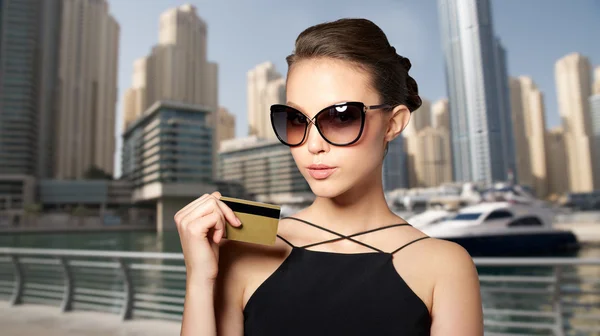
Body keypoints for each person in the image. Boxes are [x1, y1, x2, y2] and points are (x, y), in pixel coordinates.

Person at [176, 18, 483, 336]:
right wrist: (199, 279)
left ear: (393, 124)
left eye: (341, 117)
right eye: (296, 119)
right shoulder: (245, 251)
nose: (312, 145)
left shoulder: (445, 266)